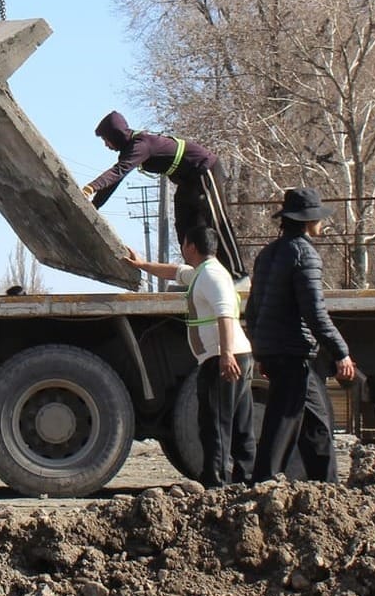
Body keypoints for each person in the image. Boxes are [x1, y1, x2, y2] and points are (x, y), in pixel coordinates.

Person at [124, 227, 256, 487]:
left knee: (215, 422)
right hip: (227, 356)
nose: (182, 248)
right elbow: (174, 272)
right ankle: (245, 479)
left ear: (191, 247)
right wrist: (142, 264)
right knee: (238, 422)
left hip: (223, 358)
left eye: (184, 243)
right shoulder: (203, 273)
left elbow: (225, 314)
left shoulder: (212, 276)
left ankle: (217, 483)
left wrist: (226, 354)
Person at [244, 188, 357, 483]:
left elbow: (253, 309)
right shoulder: (305, 254)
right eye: (318, 218)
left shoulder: (267, 254)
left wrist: (262, 350)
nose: (321, 223)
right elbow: (315, 312)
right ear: (308, 221)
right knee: (281, 424)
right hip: (294, 352)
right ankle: (263, 484)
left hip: (277, 351)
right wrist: (341, 352)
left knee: (316, 425)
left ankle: (328, 487)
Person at [82, 112, 246, 277]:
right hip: (186, 181)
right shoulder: (131, 150)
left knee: (217, 222)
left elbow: (118, 171)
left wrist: (90, 187)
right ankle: (196, 276)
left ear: (115, 135)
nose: (106, 145)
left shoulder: (141, 144)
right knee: (185, 229)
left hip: (204, 169)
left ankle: (237, 273)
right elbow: (115, 181)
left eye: (106, 140)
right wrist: (94, 206)